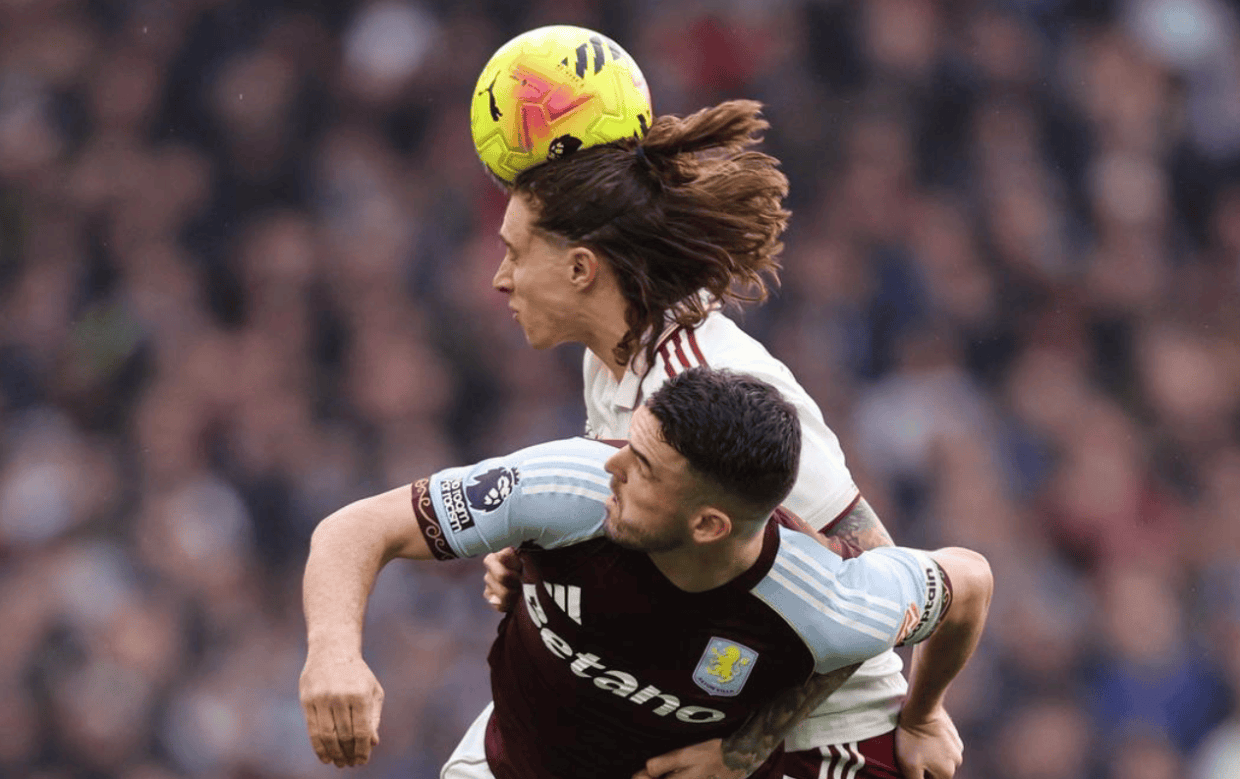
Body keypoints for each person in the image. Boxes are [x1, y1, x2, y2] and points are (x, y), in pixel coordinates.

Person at [483, 99, 957, 778]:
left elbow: (875, 568)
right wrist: (542, 565)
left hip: (828, 740)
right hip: (699, 708)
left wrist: (752, 746)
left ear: (581, 268)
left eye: (513, 252)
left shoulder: (713, 388)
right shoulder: (611, 358)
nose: (499, 277)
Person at [299, 368, 993, 779]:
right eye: (630, 443)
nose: (614, 465)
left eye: (645, 467)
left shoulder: (821, 601)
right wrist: (334, 652)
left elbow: (969, 580)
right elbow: (355, 528)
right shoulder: (565, 486)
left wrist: (924, 712)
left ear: (708, 526)